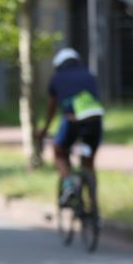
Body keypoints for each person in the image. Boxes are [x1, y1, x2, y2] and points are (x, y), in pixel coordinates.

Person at [36, 47, 105, 207]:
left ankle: (68, 184)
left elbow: (52, 108)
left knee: (59, 151)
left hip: (72, 120)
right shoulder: (89, 75)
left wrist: (45, 129)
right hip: (95, 119)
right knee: (89, 163)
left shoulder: (56, 78)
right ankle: (94, 205)